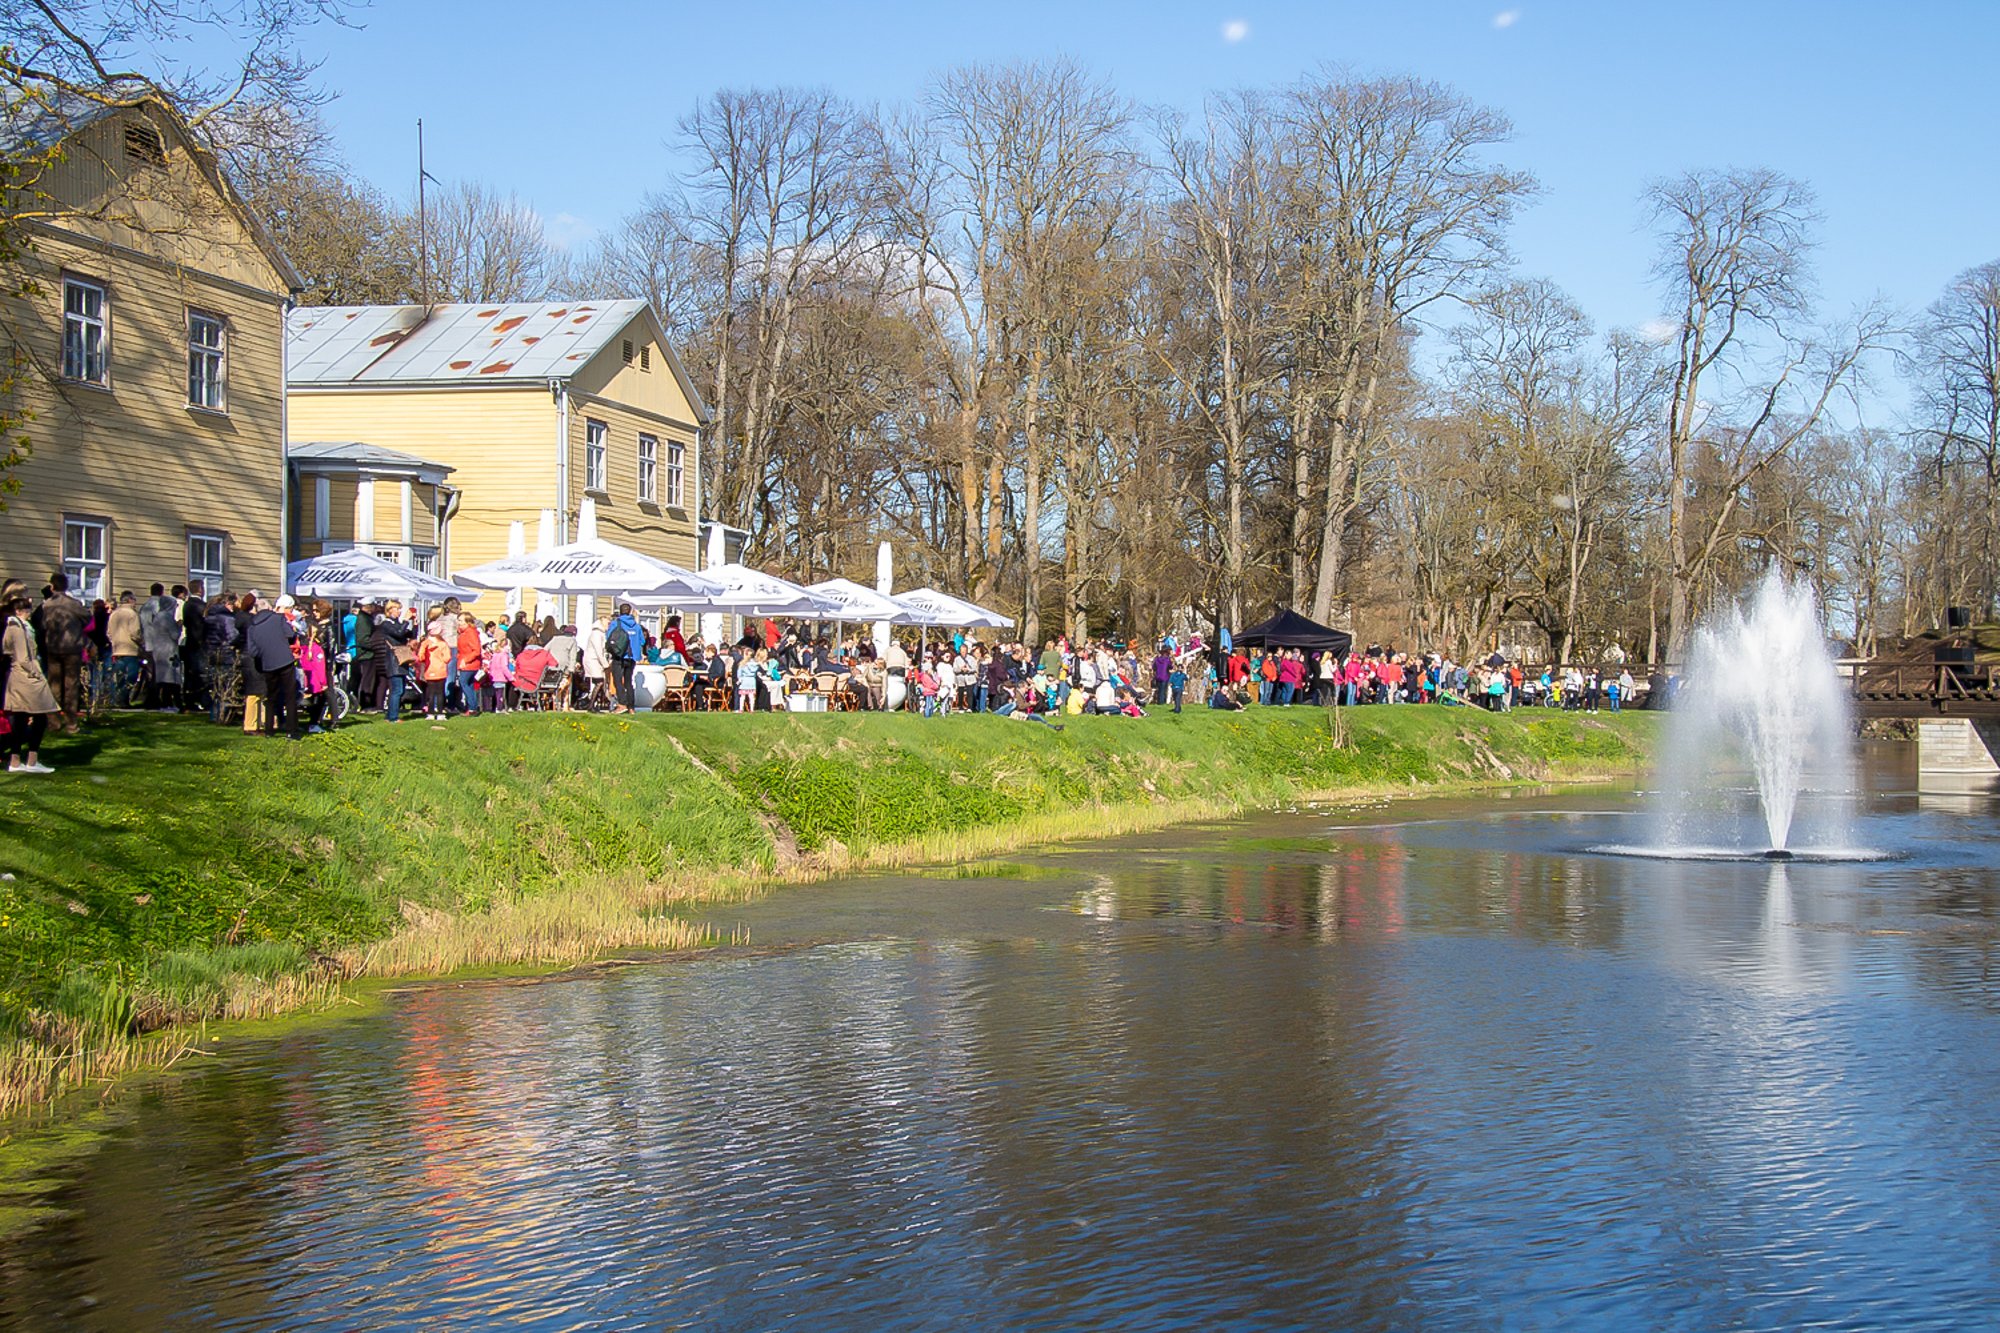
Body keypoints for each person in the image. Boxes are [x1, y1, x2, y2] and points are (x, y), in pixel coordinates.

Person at [4, 590, 60, 773]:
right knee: (40, 716)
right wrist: (38, 674)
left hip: (19, 678)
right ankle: (31, 760)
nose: (29, 612)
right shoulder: (18, 629)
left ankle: (16, 760)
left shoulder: (15, 627)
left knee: (19, 719)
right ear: (19, 611)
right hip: (27, 678)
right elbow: (23, 658)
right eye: (27, 609)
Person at [33, 573, 87, 734]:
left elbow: (42, 625)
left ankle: (53, 722)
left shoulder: (47, 605)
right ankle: (71, 724)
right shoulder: (74, 604)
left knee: (53, 685)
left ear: (52, 586)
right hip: (71, 647)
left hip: (53, 647)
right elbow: (87, 618)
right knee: (71, 686)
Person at [244, 595, 302, 739]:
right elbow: (290, 634)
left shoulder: (252, 627)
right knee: (289, 696)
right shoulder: (278, 619)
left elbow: (252, 651)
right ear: (270, 608)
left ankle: (269, 730)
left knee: (271, 697)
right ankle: (291, 730)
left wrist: (264, 653)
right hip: (285, 660)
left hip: (267, 664)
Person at [138, 582, 182, 711]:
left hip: (154, 646)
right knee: (168, 678)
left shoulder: (147, 608)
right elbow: (174, 634)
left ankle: (157, 700)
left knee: (157, 677)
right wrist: (178, 627)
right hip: (167, 649)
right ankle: (167, 702)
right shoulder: (166, 616)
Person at [106, 591, 143, 707]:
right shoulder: (132, 614)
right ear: (131, 600)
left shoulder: (114, 614)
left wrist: (114, 641)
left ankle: (119, 698)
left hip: (117, 649)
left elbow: (109, 633)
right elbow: (135, 633)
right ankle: (123, 698)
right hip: (130, 649)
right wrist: (142, 642)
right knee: (131, 676)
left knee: (120, 676)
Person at [606, 601, 644, 713]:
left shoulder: (616, 623)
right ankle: (631, 707)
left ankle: (622, 704)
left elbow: (609, 637)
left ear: (620, 611)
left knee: (618, 680)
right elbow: (642, 641)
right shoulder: (636, 626)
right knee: (628, 681)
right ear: (630, 612)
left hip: (619, 655)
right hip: (632, 657)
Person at [454, 612, 484, 715]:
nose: (459, 623)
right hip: (465, 661)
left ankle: (472, 708)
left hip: (470, 663)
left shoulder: (471, 633)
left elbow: (476, 650)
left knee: (464, 683)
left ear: (467, 622)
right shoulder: (463, 632)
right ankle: (472, 707)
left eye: (461, 620)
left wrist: (465, 660)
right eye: (458, 620)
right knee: (469, 685)